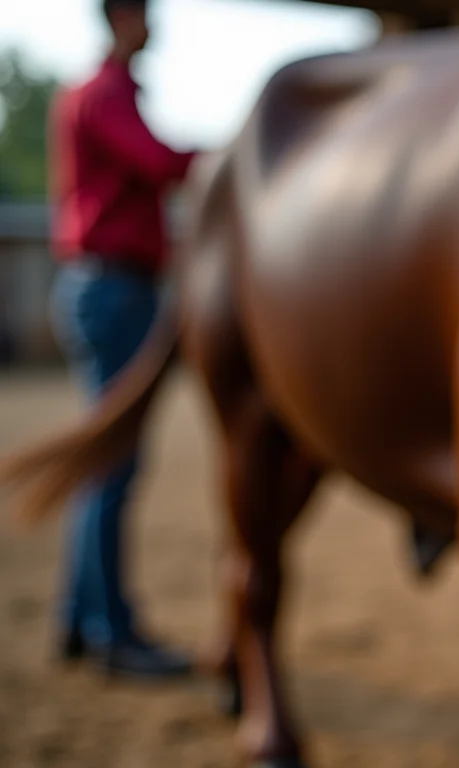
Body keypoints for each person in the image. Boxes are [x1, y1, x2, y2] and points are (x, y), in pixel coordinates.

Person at [47, 0, 195, 678]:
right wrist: (234, 153)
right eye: (143, 11)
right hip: (115, 289)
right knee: (114, 466)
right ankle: (113, 632)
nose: (153, 23)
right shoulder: (106, 96)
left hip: (100, 286)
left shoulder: (93, 94)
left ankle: (80, 622)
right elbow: (161, 164)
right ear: (120, 17)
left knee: (103, 462)